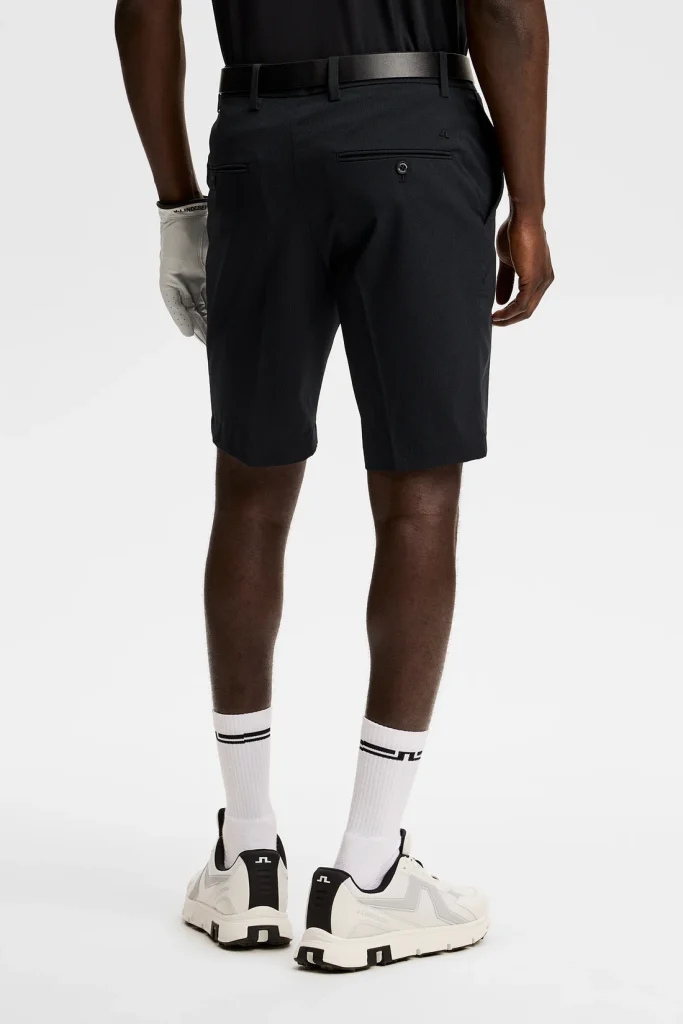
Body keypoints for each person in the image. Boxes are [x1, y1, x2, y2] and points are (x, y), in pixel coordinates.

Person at [115, 0, 553, 971]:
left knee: (250, 490)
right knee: (417, 498)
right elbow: (504, 12)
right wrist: (526, 207)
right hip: (418, 138)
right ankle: (366, 870)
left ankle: (248, 852)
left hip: (260, 146)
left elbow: (143, 11)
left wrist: (177, 204)